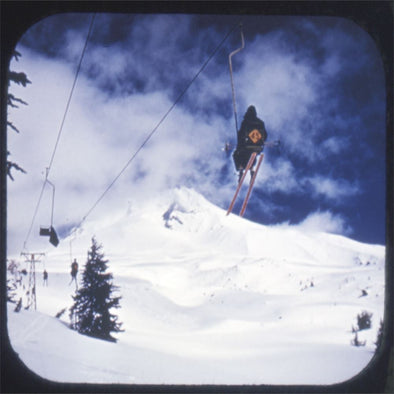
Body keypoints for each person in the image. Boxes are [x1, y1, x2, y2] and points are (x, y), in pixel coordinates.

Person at [232, 105, 267, 182]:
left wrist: (239, 145)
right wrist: (261, 142)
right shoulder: (261, 123)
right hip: (257, 147)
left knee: (237, 154)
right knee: (252, 156)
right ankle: (251, 169)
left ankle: (241, 169)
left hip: (246, 146)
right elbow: (265, 134)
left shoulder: (246, 121)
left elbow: (241, 135)